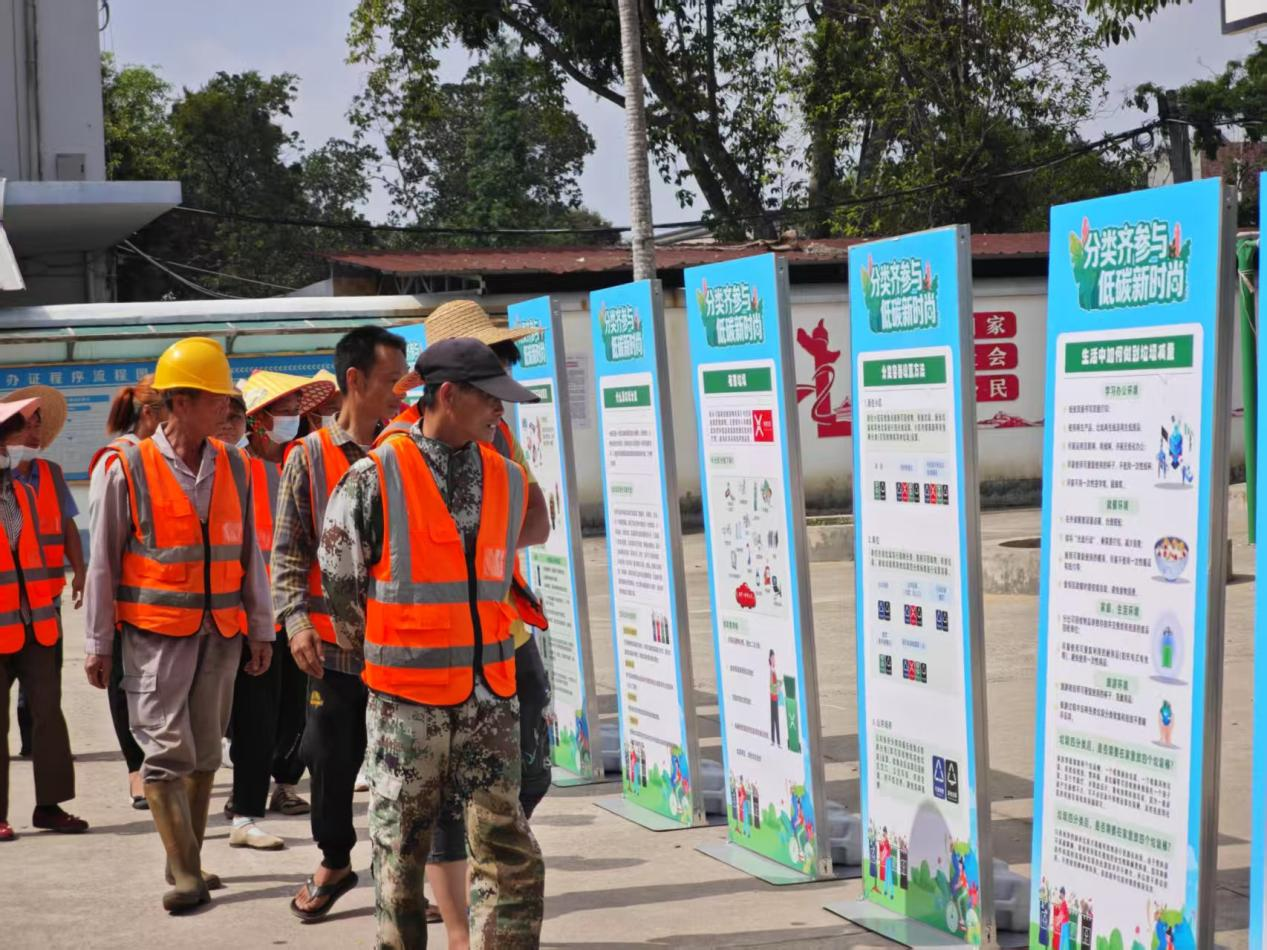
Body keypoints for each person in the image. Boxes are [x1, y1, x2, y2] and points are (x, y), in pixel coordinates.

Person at [320, 337, 546, 950]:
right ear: (446, 395)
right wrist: (387, 650)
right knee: (400, 854)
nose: (500, 410)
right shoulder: (375, 475)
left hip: (490, 697)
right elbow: (340, 580)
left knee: (509, 851)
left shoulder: (505, 475)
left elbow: (510, 558)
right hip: (406, 703)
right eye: (490, 398)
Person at [375, 301, 553, 943]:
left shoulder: (495, 441)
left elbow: (536, 520)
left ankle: (474, 909)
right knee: (431, 812)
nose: (504, 382)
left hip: (501, 644)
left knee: (526, 780)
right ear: (449, 388)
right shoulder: (393, 455)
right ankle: (456, 928)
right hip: (421, 668)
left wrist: (483, 553)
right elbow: (352, 579)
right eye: (494, 363)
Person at [83, 336, 274, 913]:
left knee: (206, 752)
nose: (229, 409)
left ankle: (183, 857)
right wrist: (99, 643)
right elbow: (102, 562)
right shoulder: (126, 466)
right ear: (182, 402)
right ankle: (188, 874)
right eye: (218, 399)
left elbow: (249, 554)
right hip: (155, 635)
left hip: (221, 632)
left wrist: (261, 626)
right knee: (166, 751)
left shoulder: (235, 465)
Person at [270, 326, 408, 921]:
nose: (401, 392)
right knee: (328, 756)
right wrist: (295, 620)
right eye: (391, 380)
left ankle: (412, 874)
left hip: (404, 645)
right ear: (354, 379)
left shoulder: (409, 448)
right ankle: (335, 861)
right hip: (333, 648)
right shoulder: (307, 456)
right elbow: (287, 552)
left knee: (407, 765)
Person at [225, 371, 335, 834]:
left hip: (299, 607)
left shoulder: (301, 460)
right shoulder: (235, 466)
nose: (293, 418)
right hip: (251, 610)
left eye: (295, 410)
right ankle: (245, 797)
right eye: (284, 411)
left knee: (297, 707)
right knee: (255, 712)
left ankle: (285, 783)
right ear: (258, 420)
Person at [0, 395, 89, 842]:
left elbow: (39, 548)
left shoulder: (27, 491)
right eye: (23, 429)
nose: (31, 437)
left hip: (37, 620)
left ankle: (50, 806)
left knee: (48, 713)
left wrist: (79, 571)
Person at [88, 375, 166, 808]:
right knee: (125, 685)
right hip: (126, 603)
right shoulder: (117, 460)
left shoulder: (168, 457)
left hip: (164, 602)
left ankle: (160, 766)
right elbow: (104, 548)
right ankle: (136, 769)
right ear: (150, 415)